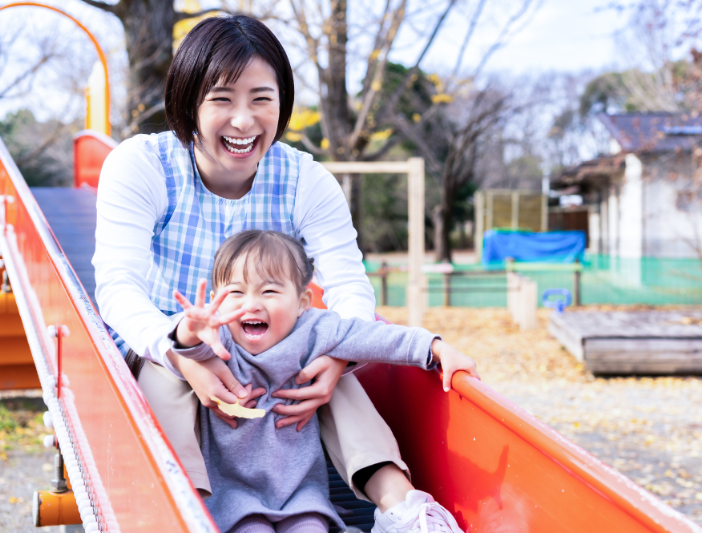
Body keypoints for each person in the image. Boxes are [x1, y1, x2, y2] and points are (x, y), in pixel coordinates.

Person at [93, 14, 469, 533]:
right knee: (165, 378)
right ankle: (183, 512)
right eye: (222, 98)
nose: (244, 121)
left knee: (318, 349)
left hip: (267, 344)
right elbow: (118, 286)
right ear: (189, 101)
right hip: (169, 335)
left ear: (281, 102)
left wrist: (338, 356)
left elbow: (348, 286)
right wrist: (184, 352)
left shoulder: (304, 179)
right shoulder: (144, 165)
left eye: (261, 99)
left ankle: (401, 508)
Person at [167, 230, 477, 533]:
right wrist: (189, 329)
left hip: (300, 492)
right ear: (216, 303)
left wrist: (435, 348)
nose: (251, 304)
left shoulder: (314, 331)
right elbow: (184, 347)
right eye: (236, 292)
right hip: (234, 493)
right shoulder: (217, 340)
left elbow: (376, 336)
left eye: (269, 291)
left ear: (302, 302)